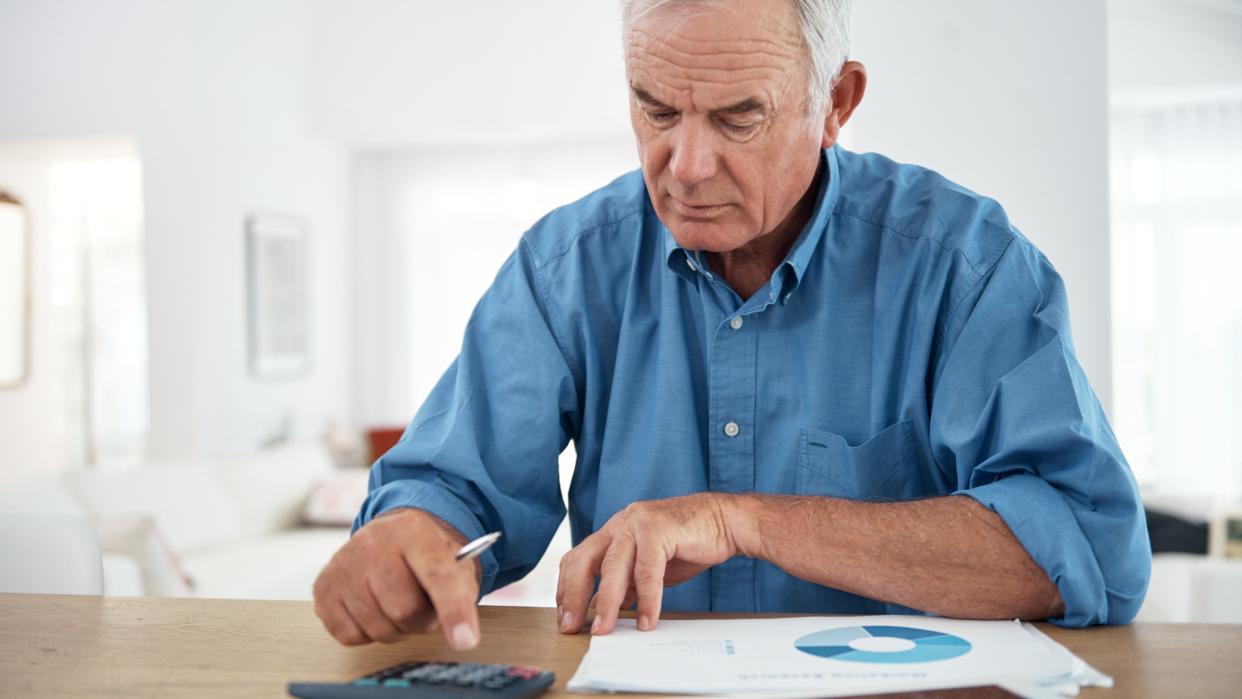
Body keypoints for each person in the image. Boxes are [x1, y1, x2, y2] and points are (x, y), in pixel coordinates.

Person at [312, 0, 1150, 651]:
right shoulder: (567, 266)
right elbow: (453, 487)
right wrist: (408, 538)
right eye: (656, 110)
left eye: (736, 118)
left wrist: (739, 519)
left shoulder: (966, 267)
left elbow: (1089, 548)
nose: (686, 166)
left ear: (836, 103)